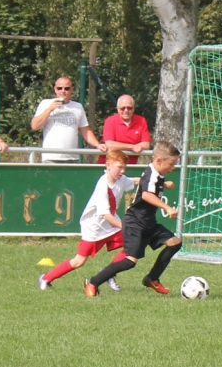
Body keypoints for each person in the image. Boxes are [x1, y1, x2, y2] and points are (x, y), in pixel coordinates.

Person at [84, 140, 181, 297]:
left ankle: (152, 278)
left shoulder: (157, 174)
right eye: (171, 164)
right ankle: (93, 282)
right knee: (130, 261)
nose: (173, 167)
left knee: (175, 243)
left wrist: (165, 184)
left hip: (148, 223)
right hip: (135, 223)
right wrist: (167, 207)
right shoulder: (151, 175)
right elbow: (146, 194)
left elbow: (147, 185)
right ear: (159, 160)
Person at [38, 150, 138, 290]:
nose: (122, 171)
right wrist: (125, 226)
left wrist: (155, 180)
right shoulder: (103, 185)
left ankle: (108, 273)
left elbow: (136, 181)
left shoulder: (121, 179)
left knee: (133, 246)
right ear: (108, 165)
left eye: (124, 167)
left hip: (111, 226)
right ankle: (45, 278)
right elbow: (105, 215)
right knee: (79, 261)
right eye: (119, 167)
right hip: (94, 228)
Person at [30, 76, 106, 163]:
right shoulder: (46, 103)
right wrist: (49, 109)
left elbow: (85, 130)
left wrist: (97, 144)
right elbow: (34, 126)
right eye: (59, 88)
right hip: (51, 157)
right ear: (55, 89)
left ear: (72, 90)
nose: (63, 91)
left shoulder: (77, 107)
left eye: (66, 88)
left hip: (72, 157)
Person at [97, 95, 150, 165]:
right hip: (109, 165)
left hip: (130, 165)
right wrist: (132, 147)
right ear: (117, 109)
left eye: (129, 108)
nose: (126, 110)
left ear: (134, 109)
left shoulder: (141, 121)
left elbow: (146, 145)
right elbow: (110, 144)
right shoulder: (110, 121)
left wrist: (121, 146)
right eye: (122, 108)